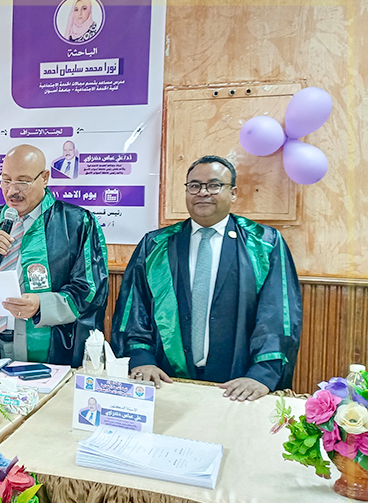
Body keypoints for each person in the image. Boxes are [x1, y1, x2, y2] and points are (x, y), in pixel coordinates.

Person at [111, 155, 302, 401]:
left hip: (238, 384)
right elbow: (133, 308)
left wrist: (262, 374)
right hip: (165, 381)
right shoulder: (156, 245)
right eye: (194, 186)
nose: (203, 192)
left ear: (233, 193)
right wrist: (141, 358)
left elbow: (278, 315)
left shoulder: (264, 244)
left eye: (214, 185)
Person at [0, 144, 109, 366]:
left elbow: (90, 289)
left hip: (51, 348)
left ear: (45, 178)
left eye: (23, 182)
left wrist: (42, 304)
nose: (12, 191)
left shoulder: (76, 223)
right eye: (6, 180)